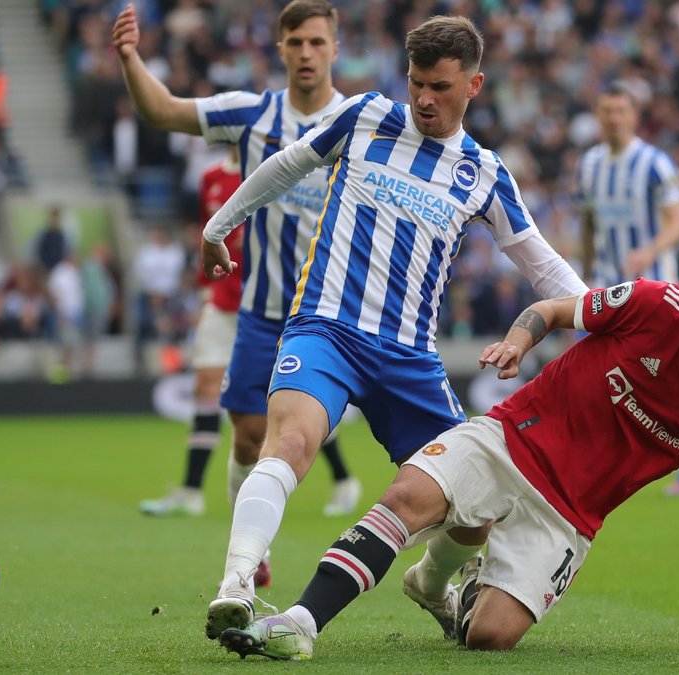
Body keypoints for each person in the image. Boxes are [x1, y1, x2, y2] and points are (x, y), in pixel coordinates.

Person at [199, 15, 587, 642]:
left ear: (474, 85)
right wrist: (219, 226)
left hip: (408, 357)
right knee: (290, 443)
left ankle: (430, 584)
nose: (424, 99)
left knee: (474, 510)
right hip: (326, 329)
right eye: (416, 83)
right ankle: (237, 585)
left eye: (440, 87)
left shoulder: (485, 172)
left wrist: (610, 315)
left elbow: (542, 264)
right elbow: (288, 165)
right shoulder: (367, 117)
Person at [218, 257, 679, 660]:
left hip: (568, 514)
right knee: (407, 498)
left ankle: (436, 585)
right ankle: (298, 623)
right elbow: (551, 310)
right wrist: (520, 340)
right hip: (508, 438)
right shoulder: (656, 304)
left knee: (489, 638)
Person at [113, 0, 361, 572]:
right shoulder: (251, 113)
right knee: (249, 436)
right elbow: (164, 110)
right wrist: (129, 58)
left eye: (317, 42)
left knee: (327, 437)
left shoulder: (362, 119)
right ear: (280, 49)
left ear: (335, 49)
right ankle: (254, 552)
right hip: (261, 311)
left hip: (332, 315)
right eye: (296, 42)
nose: (306, 53)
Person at [139, 148, 361, 527]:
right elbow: (208, 237)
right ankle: (191, 490)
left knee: (292, 403)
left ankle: (342, 477)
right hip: (224, 305)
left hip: (268, 307)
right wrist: (205, 290)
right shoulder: (211, 177)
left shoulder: (277, 168)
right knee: (207, 389)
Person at [577, 83, 679, 495]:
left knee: (667, 374)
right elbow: (589, 222)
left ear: (634, 116)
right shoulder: (590, 164)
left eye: (620, 111)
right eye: (607, 111)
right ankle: (605, 459)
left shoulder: (655, 163)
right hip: (607, 283)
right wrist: (586, 270)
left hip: (655, 286)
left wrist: (648, 251)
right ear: (598, 115)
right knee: (601, 370)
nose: (613, 118)